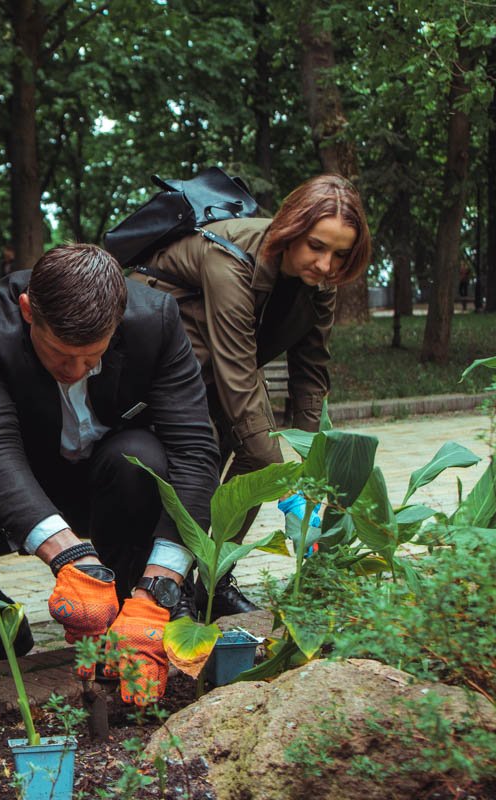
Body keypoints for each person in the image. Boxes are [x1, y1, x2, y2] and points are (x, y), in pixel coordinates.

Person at [0, 243, 220, 706]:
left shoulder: (156, 319)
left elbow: (195, 451)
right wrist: (70, 557)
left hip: (116, 490)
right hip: (20, 490)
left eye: (92, 357)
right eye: (60, 354)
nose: (77, 370)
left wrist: (160, 587)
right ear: (27, 312)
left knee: (139, 457)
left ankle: (128, 620)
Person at [136, 173, 371, 618]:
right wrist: (285, 482)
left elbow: (311, 375)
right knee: (212, 451)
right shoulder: (230, 258)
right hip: (167, 355)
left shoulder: (320, 284)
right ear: (292, 229)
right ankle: (172, 584)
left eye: (340, 255)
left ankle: (214, 577)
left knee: (256, 457)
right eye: (317, 247)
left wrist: (311, 467)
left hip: (225, 356)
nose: (325, 265)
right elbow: (237, 371)